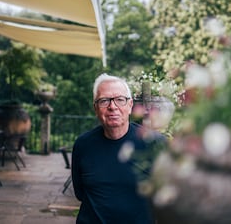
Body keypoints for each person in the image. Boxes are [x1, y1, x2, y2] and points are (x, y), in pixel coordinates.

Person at [71, 73, 165, 224]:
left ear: (130, 105)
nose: (112, 107)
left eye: (120, 100)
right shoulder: (83, 145)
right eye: (104, 101)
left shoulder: (154, 144)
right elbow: (80, 193)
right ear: (95, 108)